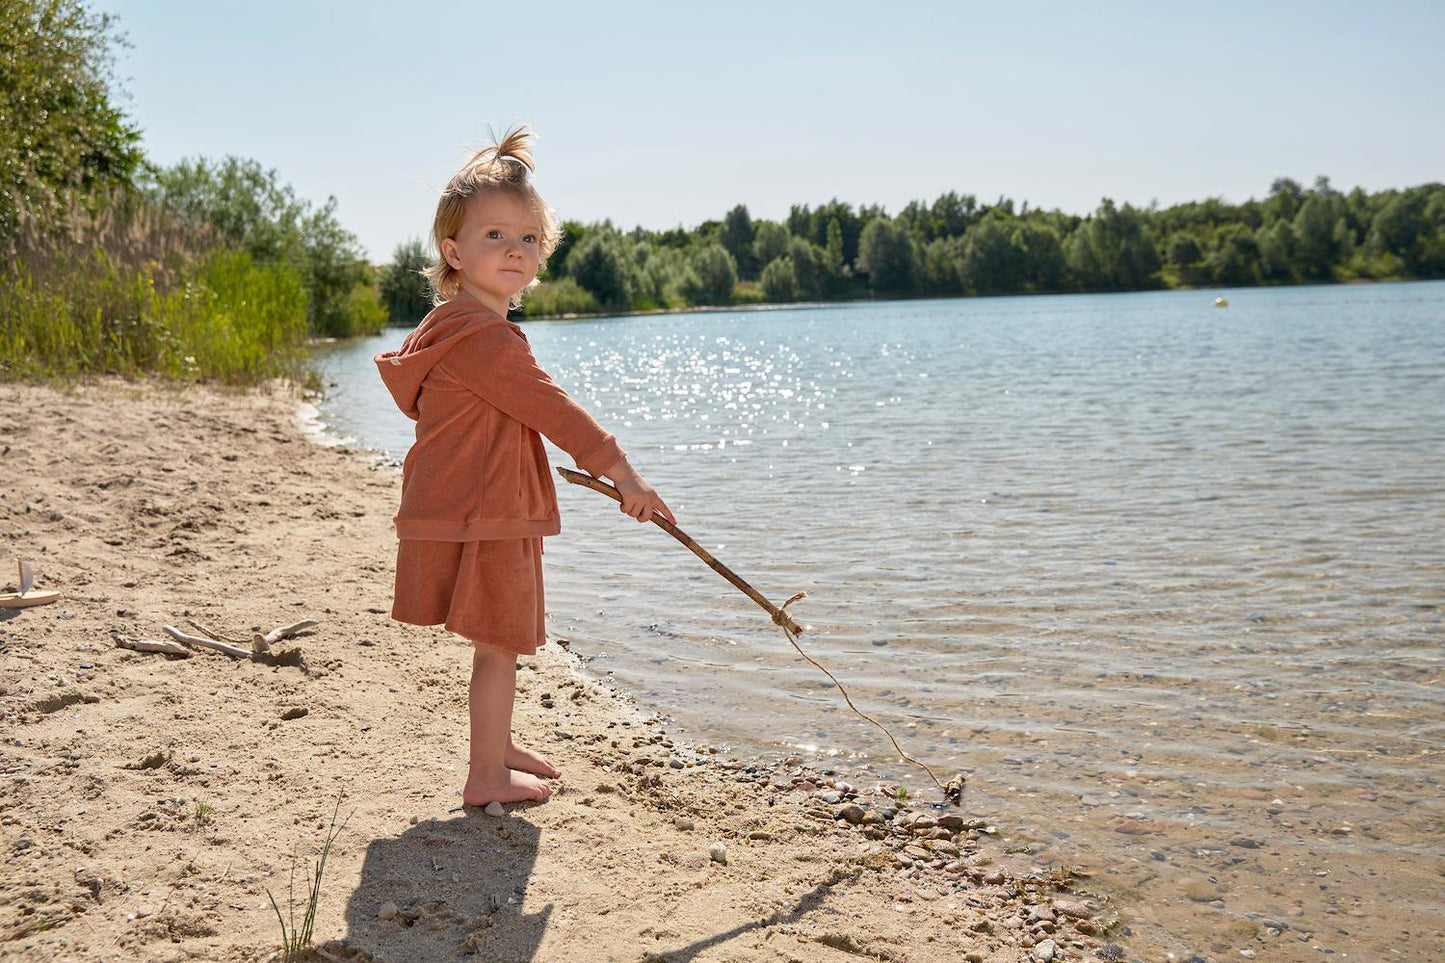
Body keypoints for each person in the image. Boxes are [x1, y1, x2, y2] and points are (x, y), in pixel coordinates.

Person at [375, 125, 673, 806]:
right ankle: (485, 776)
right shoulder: (484, 339)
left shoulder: (448, 324)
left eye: (528, 238)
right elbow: (554, 410)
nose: (515, 249)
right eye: (494, 236)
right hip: (486, 509)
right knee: (499, 643)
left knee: (498, 639)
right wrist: (623, 472)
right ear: (453, 251)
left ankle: (496, 745)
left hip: (475, 501)